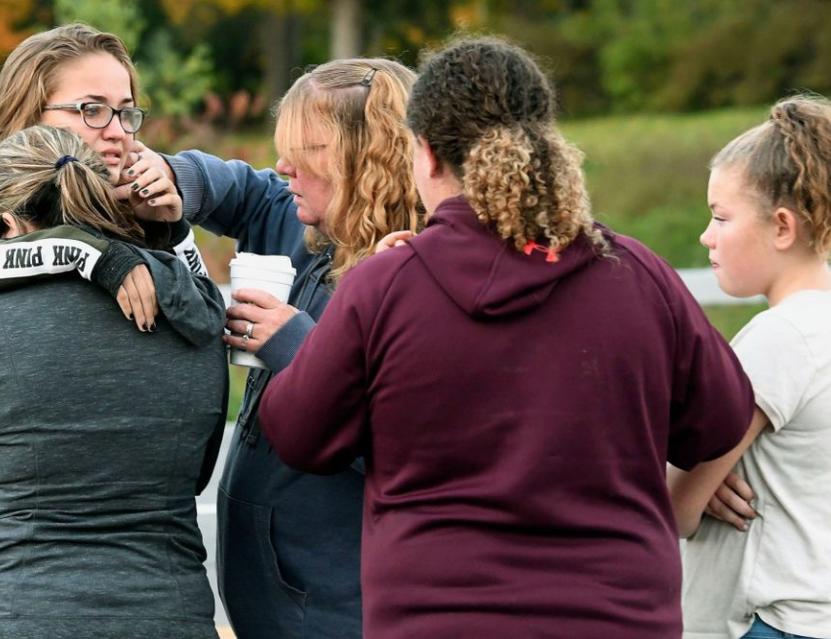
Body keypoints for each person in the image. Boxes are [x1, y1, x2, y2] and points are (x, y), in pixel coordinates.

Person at [257, 37, 755, 638]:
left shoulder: (386, 286)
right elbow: (721, 419)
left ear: (427, 153)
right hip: (617, 619)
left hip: (437, 621)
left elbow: (299, 433)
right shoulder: (636, 274)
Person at [0, 24, 223, 639]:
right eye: (92, 109)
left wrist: (177, 229)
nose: (116, 129)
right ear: (27, 114)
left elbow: (204, 317)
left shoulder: (140, 211)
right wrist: (90, 254)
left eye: (126, 111)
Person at [152, 58, 421, 638]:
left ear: (372, 156)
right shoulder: (309, 224)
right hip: (277, 603)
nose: (285, 165)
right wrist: (175, 178)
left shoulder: (412, 277)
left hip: (342, 611)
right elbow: (248, 191)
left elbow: (409, 450)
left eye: (311, 149)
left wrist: (298, 349)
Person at [669, 96, 831, 639]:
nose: (705, 235)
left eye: (720, 217)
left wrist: (693, 475)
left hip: (761, 623)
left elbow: (672, 508)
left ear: (783, 227)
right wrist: (708, 471)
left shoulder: (779, 337)